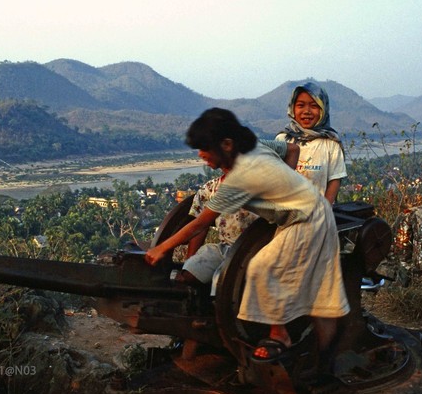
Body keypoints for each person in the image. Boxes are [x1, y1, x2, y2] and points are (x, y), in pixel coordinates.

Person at [145, 108, 348, 358]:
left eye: (205, 149)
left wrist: (161, 248)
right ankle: (324, 361)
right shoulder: (255, 146)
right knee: (321, 295)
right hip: (306, 213)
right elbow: (292, 150)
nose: (201, 155)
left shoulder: (240, 177)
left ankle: (279, 335)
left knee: (262, 267)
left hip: (307, 220)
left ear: (227, 144)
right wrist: (286, 185)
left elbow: (200, 223)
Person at [178, 139, 299, 287]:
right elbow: (199, 227)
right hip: (223, 248)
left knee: (222, 281)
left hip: (256, 249)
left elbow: (292, 150)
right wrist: (190, 260)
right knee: (191, 273)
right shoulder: (210, 190)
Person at [276, 82, 346, 204]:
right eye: (300, 105)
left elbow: (334, 181)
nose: (306, 111)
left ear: (323, 110)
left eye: (314, 106)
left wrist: (324, 211)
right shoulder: (282, 140)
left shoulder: (331, 144)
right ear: (292, 108)